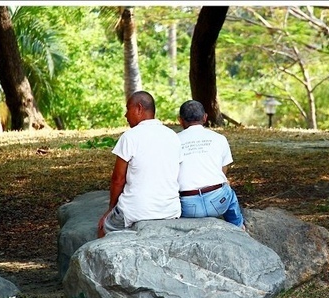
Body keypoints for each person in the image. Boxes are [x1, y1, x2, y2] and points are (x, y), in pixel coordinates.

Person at [97, 91, 183, 238]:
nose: (125, 115)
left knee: (102, 229)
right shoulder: (173, 136)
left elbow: (118, 179)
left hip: (135, 211)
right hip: (169, 211)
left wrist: (110, 209)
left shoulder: (130, 137)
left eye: (127, 108)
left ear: (139, 108)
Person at [177, 100, 245, 230]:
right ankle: (238, 227)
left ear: (180, 120)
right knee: (229, 193)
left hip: (187, 207)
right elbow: (223, 171)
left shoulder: (174, 140)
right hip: (218, 202)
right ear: (205, 117)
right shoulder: (219, 138)